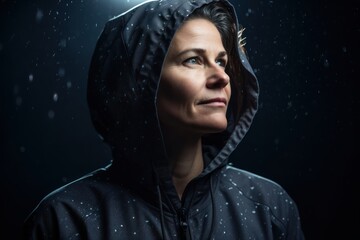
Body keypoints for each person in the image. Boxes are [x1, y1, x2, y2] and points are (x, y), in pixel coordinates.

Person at [22, 0, 305, 239]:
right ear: (138, 83)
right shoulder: (65, 221)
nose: (223, 76)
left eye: (221, 61)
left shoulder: (270, 208)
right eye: (193, 60)